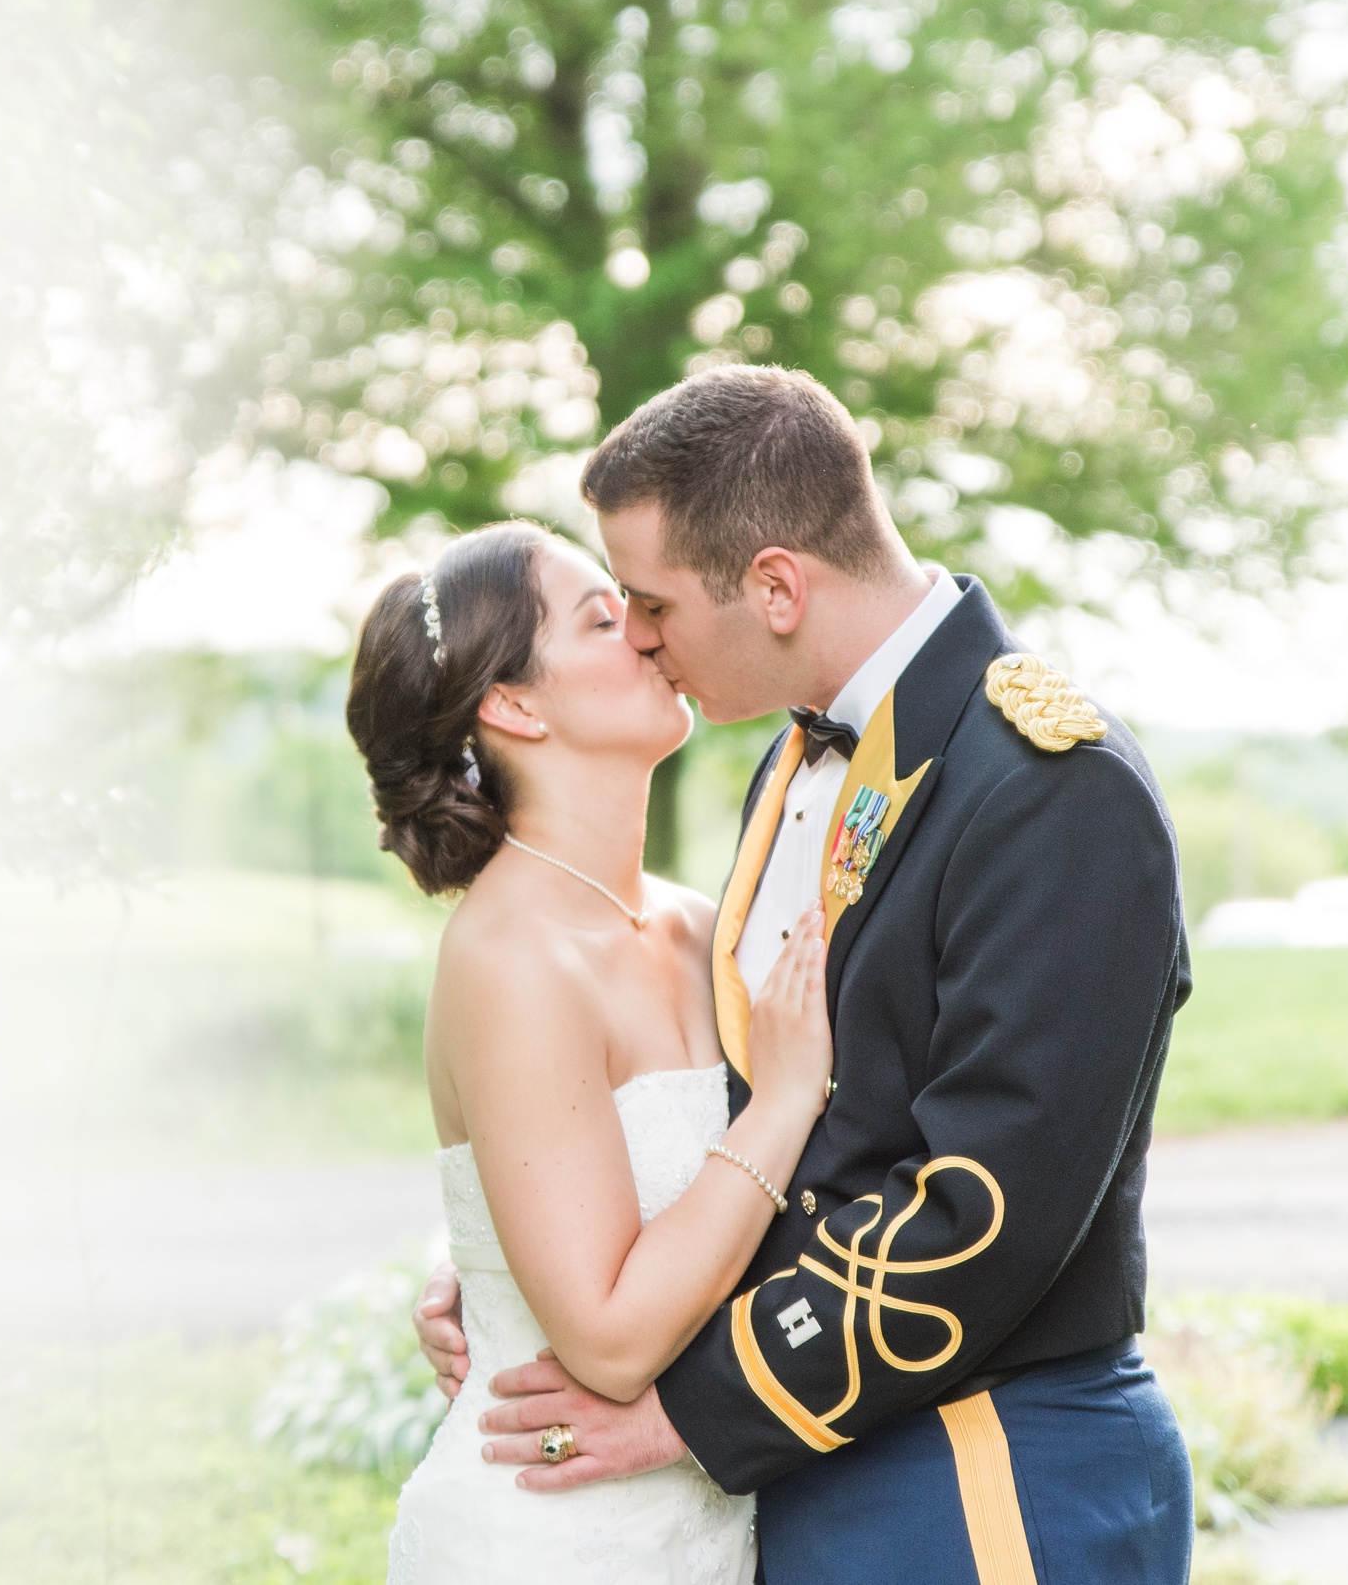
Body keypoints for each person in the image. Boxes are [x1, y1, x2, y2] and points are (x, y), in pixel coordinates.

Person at [414, 366, 1194, 1584]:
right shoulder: (791, 764)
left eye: (652, 602)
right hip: (799, 1475)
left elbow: (982, 1211)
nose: (646, 638)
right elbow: (753, 1107)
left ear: (775, 585)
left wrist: (686, 1410)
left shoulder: (1050, 787)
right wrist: (532, 1257)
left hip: (983, 1471)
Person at [346, 519, 837, 1583]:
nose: (651, 638)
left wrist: (478, 1259)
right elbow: (608, 1339)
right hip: (547, 1535)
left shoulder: (704, 923)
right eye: (605, 620)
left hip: (706, 1526)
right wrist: (781, 1102)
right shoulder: (512, 955)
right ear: (513, 705)